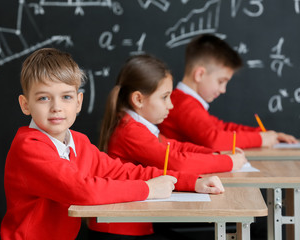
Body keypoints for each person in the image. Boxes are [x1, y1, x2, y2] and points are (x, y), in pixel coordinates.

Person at [0, 48, 225, 240]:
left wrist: (191, 182)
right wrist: (148, 190)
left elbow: (121, 171)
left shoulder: (77, 142)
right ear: (25, 104)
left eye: (66, 97)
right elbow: (82, 190)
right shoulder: (29, 147)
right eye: (43, 98)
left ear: (78, 102)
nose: (56, 107)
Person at [87, 54, 244, 239]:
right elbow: (177, 162)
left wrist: (216, 154)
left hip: (133, 223)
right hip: (119, 230)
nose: (170, 105)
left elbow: (175, 147)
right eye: (164, 97)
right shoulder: (130, 131)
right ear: (138, 99)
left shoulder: (137, 126)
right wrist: (228, 162)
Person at [158, 34, 297, 151]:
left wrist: (265, 134)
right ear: (199, 74)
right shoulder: (185, 105)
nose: (223, 89)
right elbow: (213, 140)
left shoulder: (185, 101)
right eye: (220, 81)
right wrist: (260, 139)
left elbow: (221, 128)